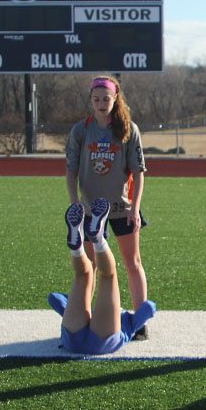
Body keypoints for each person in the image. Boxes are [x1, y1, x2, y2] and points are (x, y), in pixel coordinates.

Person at [65, 75, 150, 340]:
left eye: (106, 99)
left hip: (121, 207)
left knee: (132, 263)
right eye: (97, 99)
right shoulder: (81, 130)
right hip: (91, 210)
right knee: (89, 265)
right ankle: (85, 318)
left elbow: (139, 173)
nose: (102, 103)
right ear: (91, 101)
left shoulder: (128, 129)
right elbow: (71, 170)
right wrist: (74, 203)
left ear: (115, 99)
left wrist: (135, 208)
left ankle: (140, 321)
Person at [48, 198, 156, 355]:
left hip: (104, 338)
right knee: (82, 275)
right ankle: (79, 248)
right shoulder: (116, 317)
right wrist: (70, 305)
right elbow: (54, 298)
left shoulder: (126, 318)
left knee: (108, 275)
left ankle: (98, 240)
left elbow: (148, 308)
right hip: (74, 338)